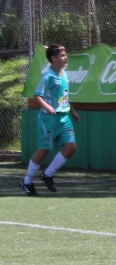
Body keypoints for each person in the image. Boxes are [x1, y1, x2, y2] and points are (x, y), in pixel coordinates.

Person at [21, 44, 80, 196]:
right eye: (62, 55)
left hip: (64, 117)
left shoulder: (65, 75)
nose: (65, 57)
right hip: (48, 119)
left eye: (65, 55)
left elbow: (65, 96)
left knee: (71, 147)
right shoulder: (47, 77)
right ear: (53, 58)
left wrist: (73, 111)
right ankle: (27, 181)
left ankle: (47, 174)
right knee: (44, 150)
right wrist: (46, 106)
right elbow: (37, 95)